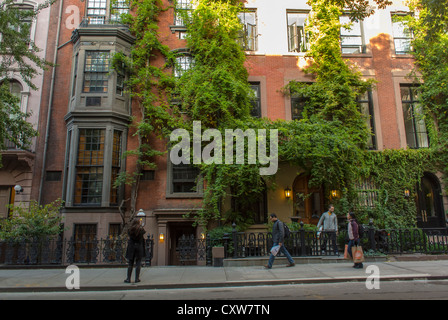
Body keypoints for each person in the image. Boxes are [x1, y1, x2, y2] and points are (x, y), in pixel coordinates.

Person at [124, 218, 146, 283]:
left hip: (131, 247)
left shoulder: (130, 230)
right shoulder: (141, 230)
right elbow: (142, 239)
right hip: (139, 247)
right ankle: (137, 279)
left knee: (130, 263)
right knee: (138, 263)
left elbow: (130, 238)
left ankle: (128, 278)